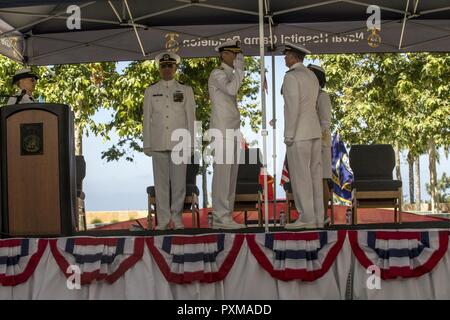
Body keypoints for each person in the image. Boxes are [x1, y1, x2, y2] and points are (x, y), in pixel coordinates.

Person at [142, 51, 196, 230]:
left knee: (179, 184)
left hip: (180, 143)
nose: (166, 69)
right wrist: (147, 143)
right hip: (158, 142)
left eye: (169, 66)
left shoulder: (186, 90)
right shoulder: (150, 90)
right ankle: (164, 221)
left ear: (175, 68)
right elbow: (147, 119)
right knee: (161, 185)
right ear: (159, 68)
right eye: (163, 66)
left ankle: (177, 219)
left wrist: (191, 143)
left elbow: (191, 118)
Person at [281, 41, 324, 229]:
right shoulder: (311, 75)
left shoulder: (291, 77)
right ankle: (318, 218)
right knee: (315, 176)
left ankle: (306, 217)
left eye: (286, 54)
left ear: (293, 57)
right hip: (314, 131)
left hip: (299, 133)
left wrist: (288, 134)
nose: (284, 57)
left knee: (301, 177)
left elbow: (292, 108)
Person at [208, 39, 245, 229]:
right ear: (224, 54)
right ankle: (220, 217)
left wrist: (237, 72)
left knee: (231, 175)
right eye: (234, 53)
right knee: (223, 175)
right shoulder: (218, 73)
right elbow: (231, 89)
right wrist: (240, 71)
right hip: (221, 130)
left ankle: (226, 216)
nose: (238, 57)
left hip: (232, 130)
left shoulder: (230, 74)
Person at [308, 64, 332, 226]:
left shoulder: (322, 96)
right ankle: (311, 216)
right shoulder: (307, 96)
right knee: (308, 180)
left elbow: (325, 122)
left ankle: (323, 216)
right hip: (308, 143)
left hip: (321, 143)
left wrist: (317, 139)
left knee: (322, 180)